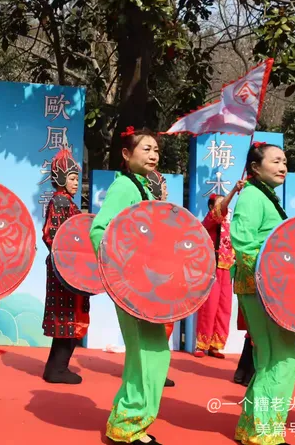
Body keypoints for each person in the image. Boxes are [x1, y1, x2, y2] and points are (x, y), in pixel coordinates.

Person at [89, 126, 165, 445]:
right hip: (132, 284)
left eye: (156, 150)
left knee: (153, 353)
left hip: (146, 284)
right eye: (146, 149)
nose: (153, 154)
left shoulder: (144, 188)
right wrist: (119, 270)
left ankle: (130, 420)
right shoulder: (124, 186)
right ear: (126, 153)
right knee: (144, 353)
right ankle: (127, 425)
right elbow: (99, 229)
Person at [230, 141, 295, 445]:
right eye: (276, 161)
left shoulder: (262, 195)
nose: (283, 167)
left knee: (270, 358)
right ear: (255, 168)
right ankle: (265, 431)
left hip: (267, 287)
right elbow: (243, 243)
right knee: (282, 359)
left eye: (284, 161)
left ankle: (251, 427)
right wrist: (270, 275)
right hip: (263, 288)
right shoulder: (252, 196)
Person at [41, 147, 88, 384]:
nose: (76, 183)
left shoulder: (65, 202)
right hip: (65, 269)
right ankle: (56, 369)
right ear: (60, 178)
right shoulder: (60, 201)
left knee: (68, 318)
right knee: (67, 318)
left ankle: (57, 367)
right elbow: (55, 236)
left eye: (77, 178)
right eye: (71, 178)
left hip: (67, 268)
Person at [194, 181, 245, 359]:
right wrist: (234, 190)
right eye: (221, 203)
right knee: (209, 307)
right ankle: (201, 344)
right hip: (213, 269)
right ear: (212, 207)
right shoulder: (211, 220)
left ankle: (215, 345)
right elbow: (220, 210)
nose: (226, 207)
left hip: (228, 270)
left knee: (224, 309)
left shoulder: (231, 225)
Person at [146, 170, 176, 388]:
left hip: (165, 273)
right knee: (157, 326)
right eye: (164, 187)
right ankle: (153, 372)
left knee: (165, 325)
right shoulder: (150, 214)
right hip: (154, 276)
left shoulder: (163, 214)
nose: (166, 192)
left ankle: (156, 370)